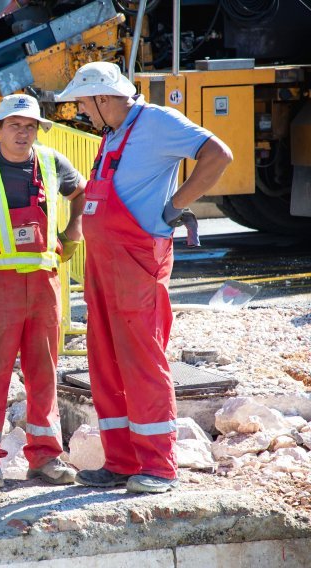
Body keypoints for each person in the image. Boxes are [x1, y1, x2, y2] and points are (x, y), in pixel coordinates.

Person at [55, 62, 233, 494]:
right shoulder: (112, 134)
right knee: (105, 359)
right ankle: (120, 461)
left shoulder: (156, 121)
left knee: (141, 360)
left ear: (102, 96)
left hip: (136, 259)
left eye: (83, 101)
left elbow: (219, 154)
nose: (81, 110)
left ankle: (158, 466)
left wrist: (175, 206)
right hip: (103, 262)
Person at [0, 94, 86, 491]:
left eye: (30, 126)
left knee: (44, 372)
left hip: (43, 284)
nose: (23, 133)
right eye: (14, 125)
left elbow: (81, 194)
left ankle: (46, 457)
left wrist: (74, 230)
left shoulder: (52, 162)